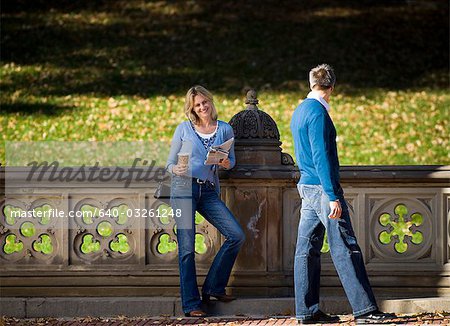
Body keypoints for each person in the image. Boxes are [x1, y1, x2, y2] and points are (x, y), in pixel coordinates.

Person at [290, 64, 395, 324]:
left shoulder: (300, 110)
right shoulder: (318, 113)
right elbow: (321, 156)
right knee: (345, 246)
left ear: (311, 83)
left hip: (306, 185)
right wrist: (332, 195)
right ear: (332, 88)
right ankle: (366, 311)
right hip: (322, 189)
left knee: (306, 250)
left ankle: (307, 312)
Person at [166, 85, 245, 317]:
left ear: (211, 102)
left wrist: (226, 164)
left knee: (236, 235)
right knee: (187, 249)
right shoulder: (183, 129)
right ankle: (191, 304)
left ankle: (213, 287)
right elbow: (169, 163)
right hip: (183, 189)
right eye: (197, 105)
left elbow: (231, 161)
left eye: (204, 102)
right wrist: (176, 168)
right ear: (192, 109)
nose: (202, 108)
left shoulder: (225, 130)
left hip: (208, 191)